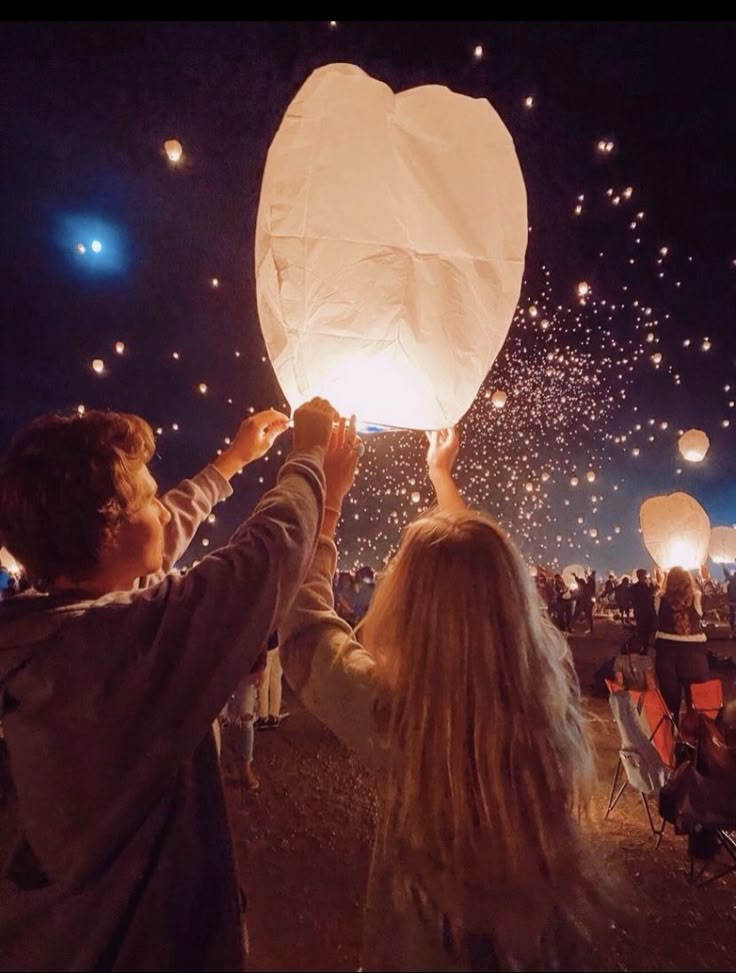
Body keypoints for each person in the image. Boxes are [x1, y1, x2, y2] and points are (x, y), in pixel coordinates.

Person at [0, 398, 335, 971]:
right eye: (149, 497)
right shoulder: (117, 649)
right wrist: (310, 459)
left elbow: (153, 537)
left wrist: (230, 463)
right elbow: (267, 555)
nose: (162, 507)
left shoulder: (47, 629)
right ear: (108, 525)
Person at [280, 422, 608, 971]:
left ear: (408, 610)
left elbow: (306, 627)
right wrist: (442, 478)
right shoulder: (550, 697)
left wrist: (327, 499)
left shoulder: (398, 718)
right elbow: (480, 577)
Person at [654, 566, 709, 725]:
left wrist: (659, 582)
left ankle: (671, 742)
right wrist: (705, 580)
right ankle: (698, 742)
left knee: (670, 705)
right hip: (694, 655)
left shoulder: (659, 599)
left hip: (667, 654)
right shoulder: (697, 598)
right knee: (697, 705)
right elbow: (714, 601)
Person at [629, 568, 657, 654]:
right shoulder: (646, 587)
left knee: (642, 631)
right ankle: (643, 648)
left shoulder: (634, 587)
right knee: (645, 631)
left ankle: (643, 647)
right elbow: (651, 597)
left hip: (640, 612)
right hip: (645, 612)